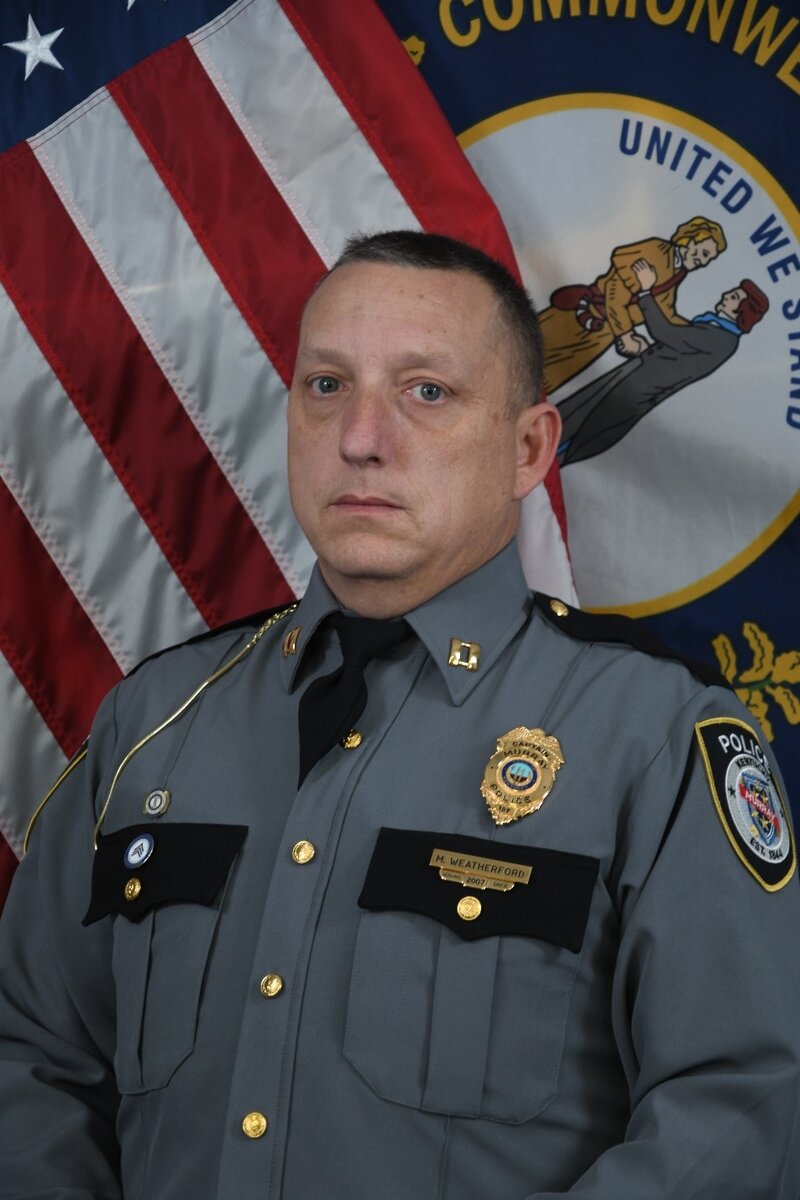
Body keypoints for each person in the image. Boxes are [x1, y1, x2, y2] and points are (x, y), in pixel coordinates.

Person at [0, 231, 798, 1200]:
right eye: (326, 386)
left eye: (426, 391)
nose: (360, 437)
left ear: (526, 448)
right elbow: (30, 1056)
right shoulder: (153, 722)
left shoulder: (654, 738)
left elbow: (742, 1106)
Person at [556, 260, 769, 465]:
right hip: (633, 377)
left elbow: (666, 333)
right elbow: (677, 354)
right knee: (575, 414)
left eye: (733, 297)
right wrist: (643, 350)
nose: (725, 295)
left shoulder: (720, 338)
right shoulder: (716, 329)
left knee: (581, 432)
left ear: (739, 311)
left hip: (633, 393)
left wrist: (646, 292)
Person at [540, 215, 727, 393]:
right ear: (690, 240)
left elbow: (665, 313)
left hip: (601, 336)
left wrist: (695, 332)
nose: (703, 262)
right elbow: (616, 291)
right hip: (581, 317)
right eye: (703, 253)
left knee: (540, 384)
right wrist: (626, 335)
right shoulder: (656, 251)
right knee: (521, 352)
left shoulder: (677, 273)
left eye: (708, 259)